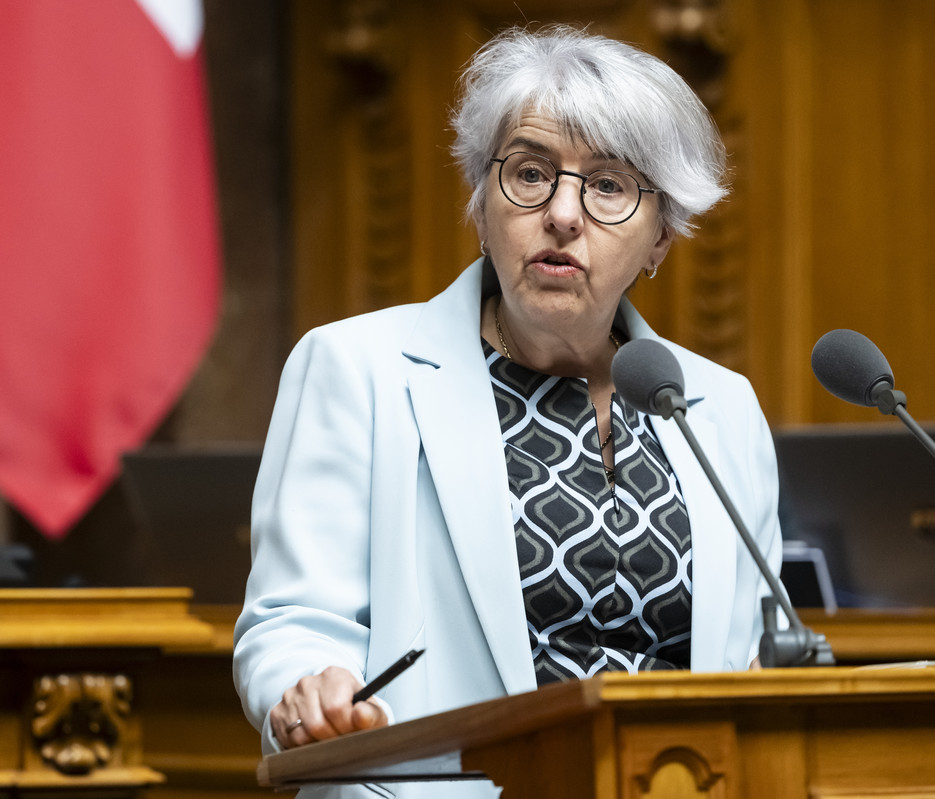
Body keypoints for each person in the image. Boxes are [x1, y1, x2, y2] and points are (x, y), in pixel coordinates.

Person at [234, 24, 781, 796]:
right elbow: (291, 622)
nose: (561, 213)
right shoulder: (356, 370)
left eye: (609, 186)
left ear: (660, 238)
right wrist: (303, 692)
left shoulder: (718, 408)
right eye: (529, 173)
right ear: (481, 205)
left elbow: (750, 654)